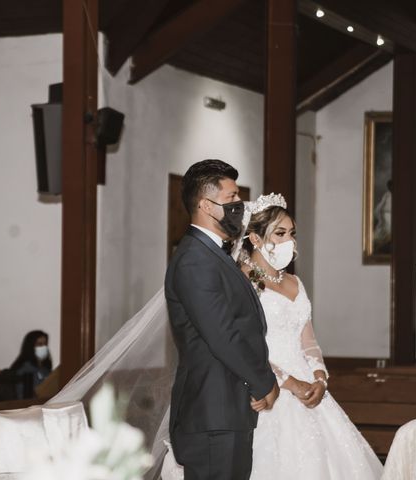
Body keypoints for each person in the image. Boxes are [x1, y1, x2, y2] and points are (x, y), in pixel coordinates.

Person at [239, 193, 384, 479]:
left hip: (310, 389)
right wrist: (290, 383)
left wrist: (319, 378)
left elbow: (308, 340)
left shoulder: (294, 281)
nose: (289, 241)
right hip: (269, 387)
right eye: (279, 234)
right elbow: (244, 345)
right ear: (255, 239)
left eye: (292, 233)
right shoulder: (244, 281)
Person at [164, 160, 279, 480]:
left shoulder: (213, 253)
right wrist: (263, 381)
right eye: (231, 200)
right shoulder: (194, 259)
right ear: (205, 205)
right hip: (212, 412)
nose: (238, 206)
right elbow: (222, 334)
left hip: (226, 409)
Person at [9, 330, 52, 398]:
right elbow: (21, 397)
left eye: (45, 344)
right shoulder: (24, 369)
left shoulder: (45, 369)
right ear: (30, 346)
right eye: (40, 344)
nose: (44, 347)